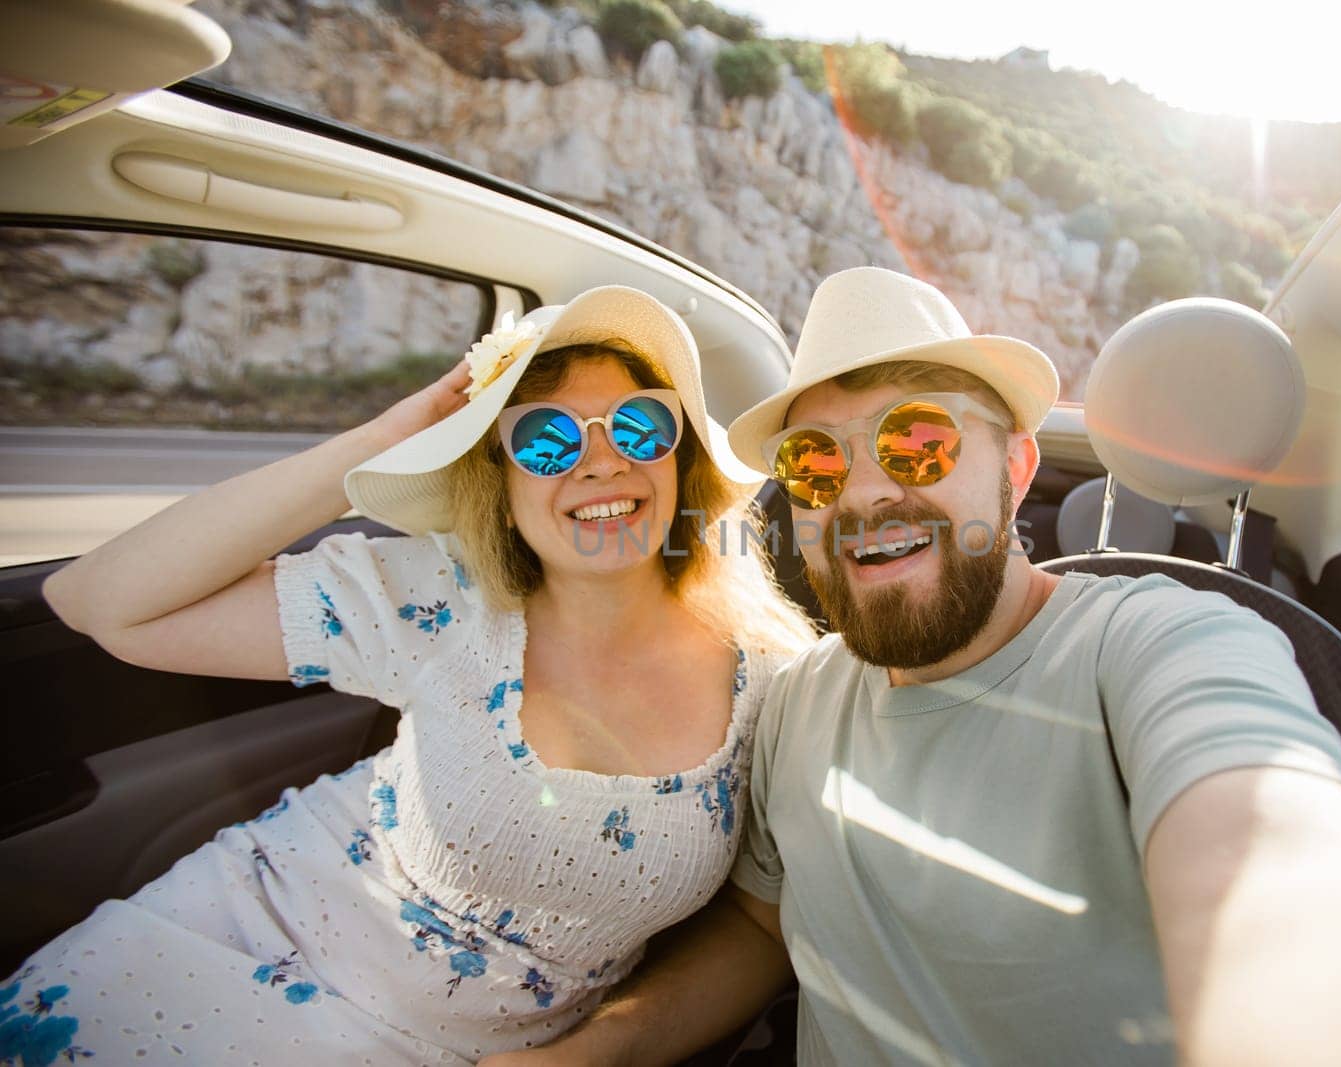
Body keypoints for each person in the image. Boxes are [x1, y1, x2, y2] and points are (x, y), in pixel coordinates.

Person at [497, 267, 1341, 1067]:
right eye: (816, 460)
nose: (869, 490)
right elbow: (763, 921)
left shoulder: (1157, 645)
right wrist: (596, 1052)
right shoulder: (792, 699)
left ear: (1012, 468)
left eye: (918, 443)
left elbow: (1273, 843)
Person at [18, 286, 816, 1064]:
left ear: (681, 462)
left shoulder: (776, 683)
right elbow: (101, 602)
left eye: (640, 428)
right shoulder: (435, 598)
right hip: (221, 953)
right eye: (547, 441)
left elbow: (761, 926)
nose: (602, 463)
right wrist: (381, 440)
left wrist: (597, 1053)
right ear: (502, 491)